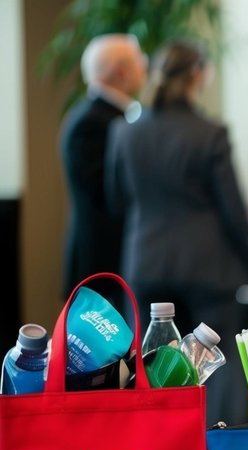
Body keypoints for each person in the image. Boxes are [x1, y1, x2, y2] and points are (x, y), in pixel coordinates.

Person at [106, 39, 248, 422]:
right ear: (198, 74)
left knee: (147, 367)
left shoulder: (124, 133)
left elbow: (116, 201)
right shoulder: (209, 133)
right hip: (206, 268)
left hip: (145, 263)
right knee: (217, 367)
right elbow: (234, 212)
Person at [59, 34, 146, 294]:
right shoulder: (91, 123)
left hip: (114, 265)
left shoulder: (113, 118)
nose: (145, 67)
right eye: (139, 61)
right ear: (121, 72)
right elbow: (107, 194)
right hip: (101, 269)